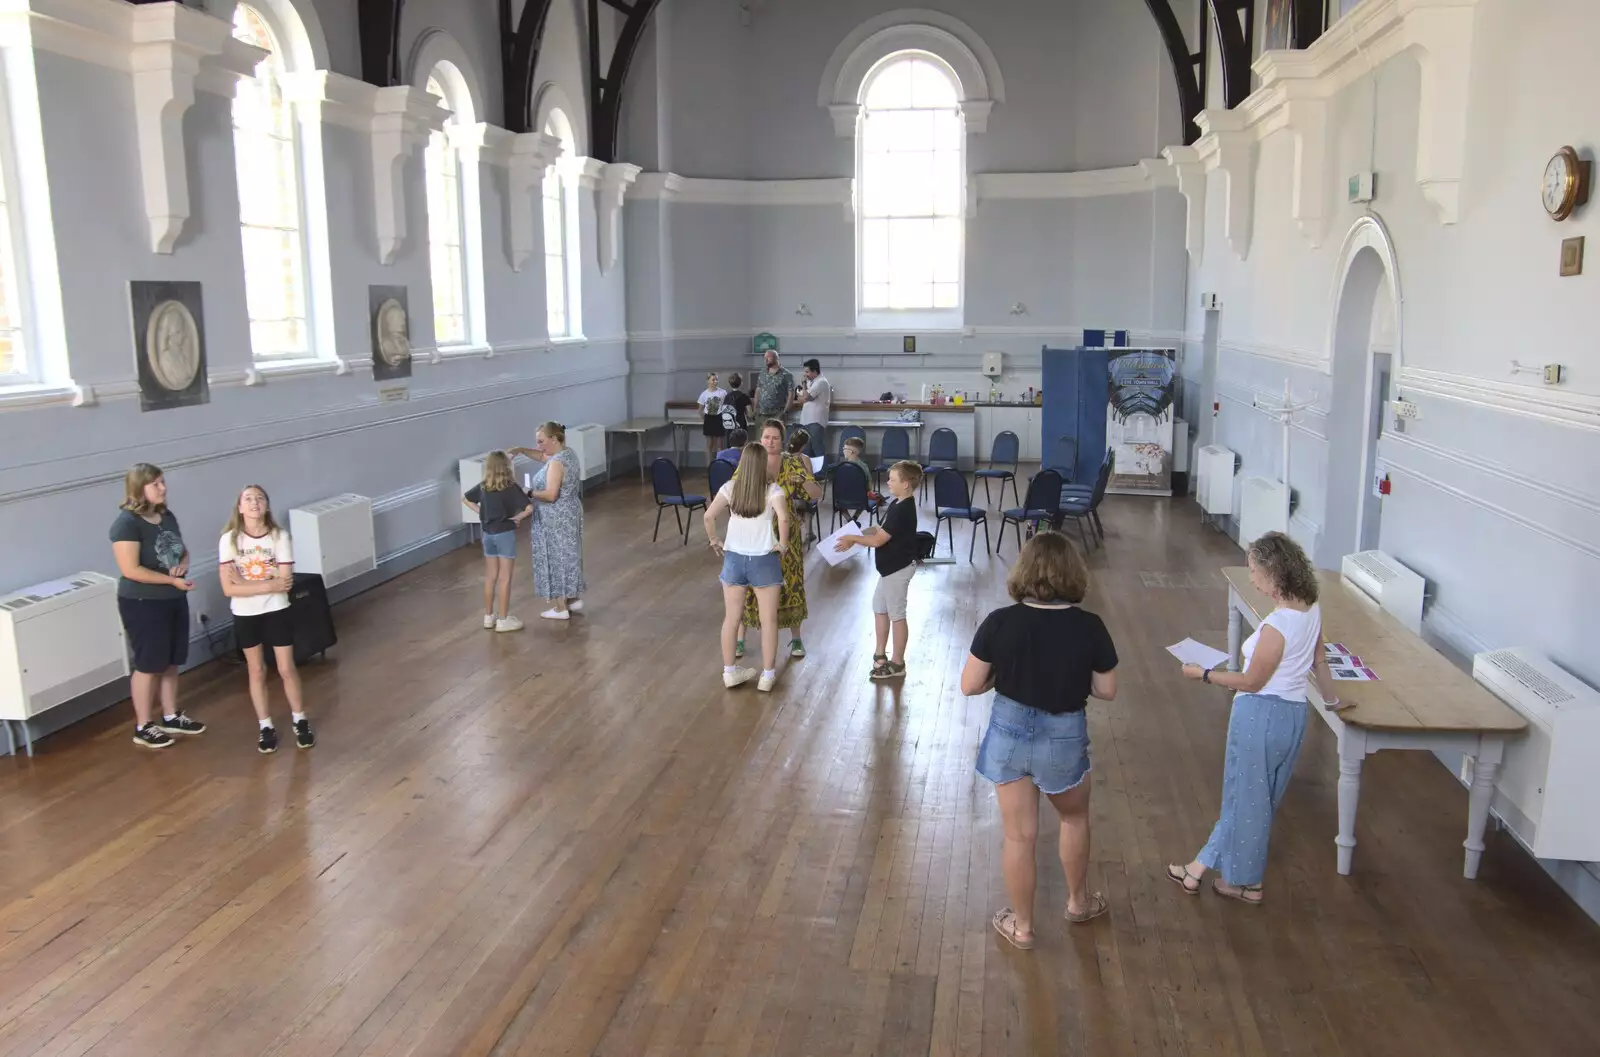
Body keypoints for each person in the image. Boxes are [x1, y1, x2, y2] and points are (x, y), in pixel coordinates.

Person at [961, 532, 1118, 947]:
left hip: (1009, 733)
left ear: (1024, 572)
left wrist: (1004, 673)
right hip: (1064, 736)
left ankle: (1024, 927)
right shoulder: (1090, 627)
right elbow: (1106, 690)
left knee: (1018, 836)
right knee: (1074, 818)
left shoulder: (1000, 621)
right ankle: (1078, 904)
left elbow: (970, 685)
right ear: (1073, 573)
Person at [1168, 531, 1339, 905]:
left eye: (1255, 571)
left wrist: (1205, 675)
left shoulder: (1278, 626)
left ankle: (1231, 879)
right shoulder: (1312, 609)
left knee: (1243, 800)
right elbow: (1319, 661)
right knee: (1258, 801)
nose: (1252, 578)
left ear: (1275, 575)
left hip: (1260, 716)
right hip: (1293, 717)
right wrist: (1333, 701)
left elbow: (1252, 681)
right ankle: (1214, 873)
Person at [109, 463, 208, 749]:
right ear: (140, 488)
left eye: (163, 482)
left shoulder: (166, 516)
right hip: (142, 602)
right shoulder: (126, 524)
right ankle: (143, 725)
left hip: (172, 597)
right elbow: (131, 569)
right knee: (149, 663)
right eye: (156, 484)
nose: (163, 488)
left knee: (171, 660)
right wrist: (170, 581)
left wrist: (183, 565)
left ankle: (170, 714)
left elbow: (181, 549)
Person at [218, 485, 315, 753]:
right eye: (248, 499)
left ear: (267, 506)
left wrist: (248, 583)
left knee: (286, 668)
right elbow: (229, 589)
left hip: (277, 609)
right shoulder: (229, 540)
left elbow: (285, 583)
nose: (254, 503)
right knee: (256, 670)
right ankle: (265, 725)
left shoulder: (279, 536)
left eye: (260, 498)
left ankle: (300, 719)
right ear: (239, 507)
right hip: (245, 613)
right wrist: (268, 583)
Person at [704, 442, 790, 692]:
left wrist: (714, 540)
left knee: (731, 619)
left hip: (733, 558)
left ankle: (729, 672)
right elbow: (783, 517)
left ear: (742, 463)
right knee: (769, 620)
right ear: (763, 463)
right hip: (763, 559)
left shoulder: (730, 488)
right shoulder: (773, 489)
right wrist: (782, 545)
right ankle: (767, 675)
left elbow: (709, 516)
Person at [735, 419, 821, 661]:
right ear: (760, 439)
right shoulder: (751, 460)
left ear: (782, 441)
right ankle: (740, 639)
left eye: (774, 438)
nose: (769, 442)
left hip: (787, 532)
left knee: (790, 582)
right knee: (748, 583)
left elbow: (816, 494)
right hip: (755, 531)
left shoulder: (795, 462)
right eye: (766, 437)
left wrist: (802, 480)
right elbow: (734, 488)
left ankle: (796, 638)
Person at [834, 460, 922, 680]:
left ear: (907, 484)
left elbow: (879, 540)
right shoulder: (896, 503)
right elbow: (879, 529)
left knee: (897, 615)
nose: (888, 482)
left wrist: (854, 539)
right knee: (880, 608)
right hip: (888, 569)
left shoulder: (903, 510)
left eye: (893, 479)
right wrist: (856, 533)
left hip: (897, 569)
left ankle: (898, 663)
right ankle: (880, 653)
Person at [510, 423, 585, 620]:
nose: (539, 445)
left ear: (554, 439)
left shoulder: (557, 463)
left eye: (541, 441)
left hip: (555, 517)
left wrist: (527, 491)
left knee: (555, 558)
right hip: (569, 512)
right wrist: (521, 450)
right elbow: (543, 457)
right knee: (568, 555)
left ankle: (560, 608)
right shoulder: (568, 454)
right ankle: (572, 598)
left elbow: (551, 495)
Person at [464, 450, 532, 631]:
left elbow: (466, 498)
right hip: (504, 534)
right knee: (505, 578)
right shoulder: (511, 487)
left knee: (491, 576)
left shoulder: (484, 486)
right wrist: (518, 518)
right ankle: (503, 619)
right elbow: (529, 507)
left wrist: (481, 513)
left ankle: (488, 616)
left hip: (488, 534)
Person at [753, 349, 795, 421]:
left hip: (777, 414)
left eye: (768, 357)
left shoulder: (787, 375)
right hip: (761, 413)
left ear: (776, 358)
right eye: (764, 358)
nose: (766, 360)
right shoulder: (762, 372)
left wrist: (785, 412)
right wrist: (755, 408)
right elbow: (758, 390)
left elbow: (791, 395)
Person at [697, 372, 729, 467]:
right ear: (708, 381)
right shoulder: (704, 394)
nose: (715, 381)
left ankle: (721, 464)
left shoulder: (722, 392)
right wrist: (705, 419)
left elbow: (726, 406)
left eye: (716, 379)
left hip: (719, 418)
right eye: (713, 379)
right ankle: (709, 465)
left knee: (720, 444)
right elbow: (700, 409)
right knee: (709, 444)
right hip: (709, 418)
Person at [796, 358, 832, 434]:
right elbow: (800, 398)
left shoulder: (821, 382)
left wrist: (803, 384)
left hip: (816, 421)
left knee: (816, 445)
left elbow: (806, 397)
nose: (805, 374)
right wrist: (804, 396)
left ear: (815, 371)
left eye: (807, 372)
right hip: (806, 421)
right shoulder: (810, 382)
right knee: (806, 445)